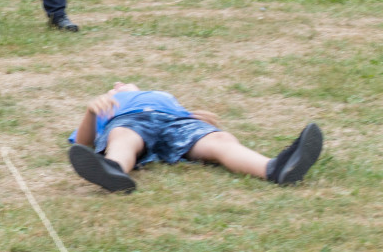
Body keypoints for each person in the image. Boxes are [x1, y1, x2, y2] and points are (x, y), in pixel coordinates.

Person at [68, 82, 323, 193]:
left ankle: (274, 168)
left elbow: (179, 116)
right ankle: (114, 169)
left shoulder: (163, 97)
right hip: (131, 121)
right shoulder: (109, 104)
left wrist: (192, 116)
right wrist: (91, 111)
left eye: (122, 84)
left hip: (177, 121)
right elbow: (82, 142)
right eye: (114, 86)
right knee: (123, 137)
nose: (119, 84)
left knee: (220, 140)